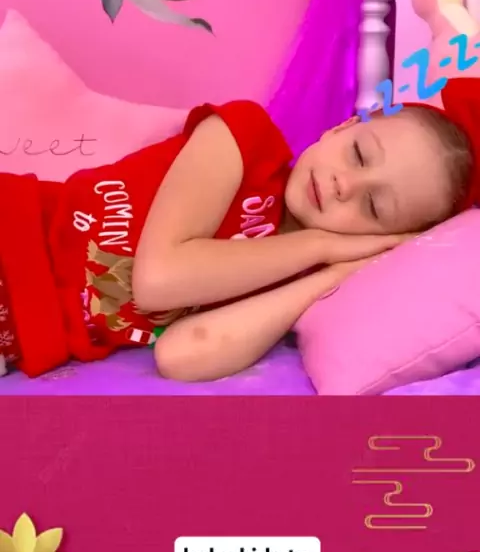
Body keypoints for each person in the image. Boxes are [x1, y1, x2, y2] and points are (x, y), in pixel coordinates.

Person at [0, 78, 477, 381]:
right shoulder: (244, 140)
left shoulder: (293, 278)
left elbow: (182, 356)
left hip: (21, 337)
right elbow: (158, 282)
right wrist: (319, 243)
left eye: (373, 206)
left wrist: (334, 274)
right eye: (358, 153)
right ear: (342, 127)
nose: (344, 184)